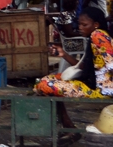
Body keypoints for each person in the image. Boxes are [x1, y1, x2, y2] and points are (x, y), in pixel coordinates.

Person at [37, 7, 113, 135]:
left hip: (100, 91)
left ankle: (69, 128)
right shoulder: (95, 37)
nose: (80, 28)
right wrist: (63, 54)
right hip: (92, 84)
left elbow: (111, 64)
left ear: (96, 25)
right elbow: (81, 68)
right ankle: (69, 127)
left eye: (84, 25)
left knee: (45, 85)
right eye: (79, 24)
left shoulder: (98, 35)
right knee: (50, 80)